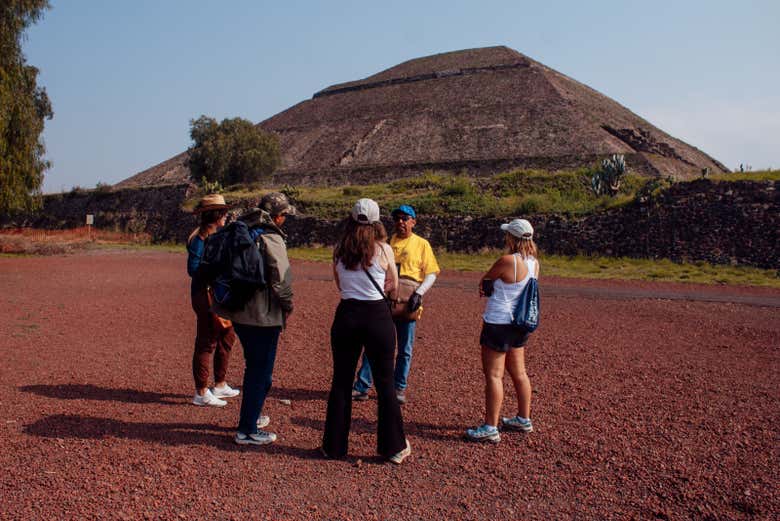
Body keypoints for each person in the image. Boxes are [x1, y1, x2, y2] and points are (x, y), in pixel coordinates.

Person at [322, 199, 411, 464]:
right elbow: (393, 286)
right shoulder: (383, 249)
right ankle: (393, 447)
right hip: (376, 315)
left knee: (341, 381)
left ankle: (334, 446)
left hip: (348, 314)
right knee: (385, 383)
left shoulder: (339, 249)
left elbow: (339, 284)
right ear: (376, 221)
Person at [214, 192, 295, 446]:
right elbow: (281, 280)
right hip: (264, 316)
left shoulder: (244, 231)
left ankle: (252, 415)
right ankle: (247, 429)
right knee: (260, 372)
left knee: (255, 368)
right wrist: (288, 305)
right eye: (284, 215)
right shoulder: (271, 238)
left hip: (240, 312)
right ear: (278, 216)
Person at [352, 204, 439, 404]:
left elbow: (431, 273)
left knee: (405, 348)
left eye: (405, 218)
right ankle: (362, 386)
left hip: (409, 300)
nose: (401, 222)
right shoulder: (386, 243)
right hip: (385, 299)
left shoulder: (421, 244)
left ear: (413, 222)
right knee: (374, 343)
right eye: (397, 218)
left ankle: (399, 388)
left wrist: (420, 292)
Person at [466, 218, 539, 443]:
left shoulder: (507, 260)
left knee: (494, 375)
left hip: (499, 322)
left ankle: (490, 426)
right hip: (519, 323)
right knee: (519, 372)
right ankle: (523, 418)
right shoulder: (534, 262)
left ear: (512, 238)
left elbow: (486, 279)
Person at [187, 194, 239, 407]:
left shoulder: (215, 236)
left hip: (218, 292)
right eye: (224, 213)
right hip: (206, 293)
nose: (226, 217)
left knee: (227, 335)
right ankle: (201, 391)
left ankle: (219, 383)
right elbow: (193, 269)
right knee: (207, 340)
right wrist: (217, 269)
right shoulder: (200, 239)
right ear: (217, 215)